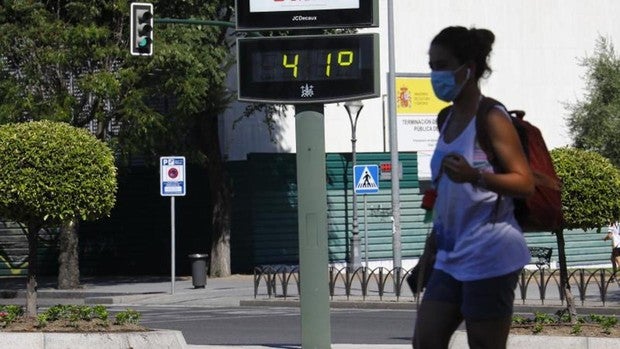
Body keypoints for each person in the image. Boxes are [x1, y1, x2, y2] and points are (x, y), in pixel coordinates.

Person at [412, 26, 535, 349]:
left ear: (469, 69)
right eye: (431, 66)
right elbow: (446, 195)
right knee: (426, 341)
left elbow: (525, 182)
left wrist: (475, 176)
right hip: (449, 254)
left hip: (490, 252)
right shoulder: (446, 118)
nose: (434, 75)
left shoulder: (491, 117)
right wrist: (430, 248)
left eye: (442, 65)